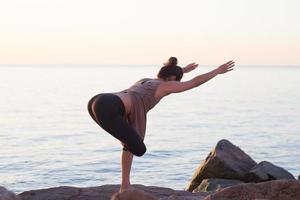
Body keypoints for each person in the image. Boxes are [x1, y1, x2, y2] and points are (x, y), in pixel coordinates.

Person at [87, 57, 235, 192]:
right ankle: (125, 185)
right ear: (171, 79)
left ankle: (125, 185)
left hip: (98, 101)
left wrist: (183, 70)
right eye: (177, 81)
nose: (176, 85)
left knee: (130, 143)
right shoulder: (164, 86)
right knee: (138, 148)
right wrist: (217, 71)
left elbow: (167, 74)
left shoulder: (145, 80)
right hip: (109, 106)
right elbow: (194, 82)